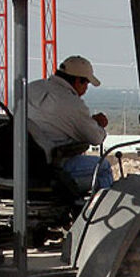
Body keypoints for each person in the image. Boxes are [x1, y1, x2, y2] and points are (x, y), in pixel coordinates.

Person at [27, 55, 113, 189]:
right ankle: (89, 205)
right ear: (78, 81)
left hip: (23, 162)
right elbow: (96, 138)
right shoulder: (72, 103)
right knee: (103, 167)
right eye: (86, 84)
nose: (86, 89)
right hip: (50, 165)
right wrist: (97, 124)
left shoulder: (32, 87)